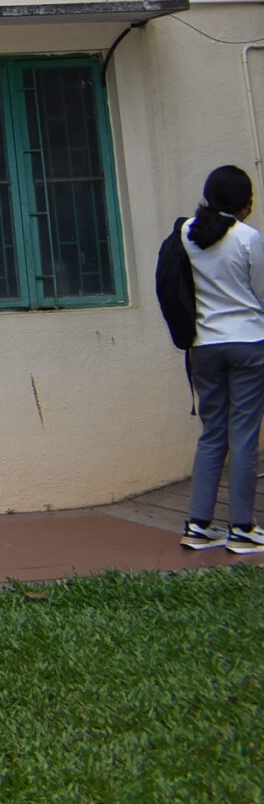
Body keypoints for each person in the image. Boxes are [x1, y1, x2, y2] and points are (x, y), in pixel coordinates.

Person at [174, 166, 264, 554]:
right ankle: (242, 528)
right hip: (248, 342)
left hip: (204, 345)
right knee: (243, 433)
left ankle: (198, 525)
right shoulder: (247, 237)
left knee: (212, 433)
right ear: (245, 201)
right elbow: (261, 293)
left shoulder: (186, 232)